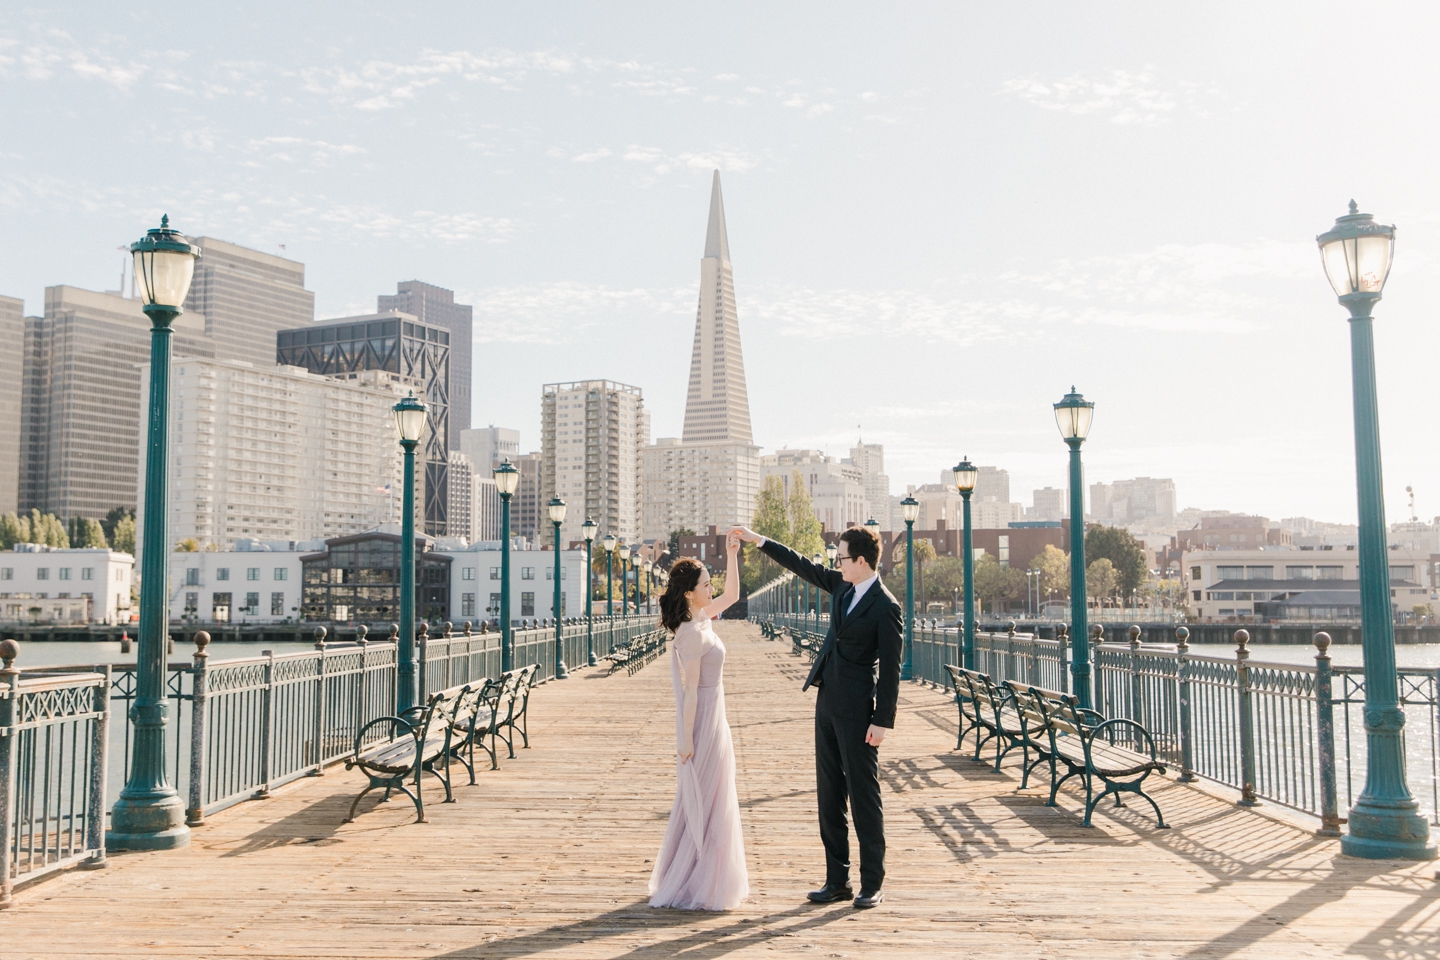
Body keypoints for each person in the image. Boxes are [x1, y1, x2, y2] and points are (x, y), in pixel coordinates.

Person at [734, 524, 901, 909]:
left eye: (842, 558)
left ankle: (871, 883)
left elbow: (891, 670)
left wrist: (882, 721)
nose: (836, 563)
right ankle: (836, 880)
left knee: (863, 796)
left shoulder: (886, 607)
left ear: (861, 561)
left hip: (860, 712)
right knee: (829, 795)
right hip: (827, 701)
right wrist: (758, 540)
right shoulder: (843, 586)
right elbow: (801, 565)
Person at [648, 530, 749, 911]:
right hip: (704, 718)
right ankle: (695, 875)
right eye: (706, 584)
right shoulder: (690, 634)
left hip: (716, 713)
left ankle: (706, 871)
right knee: (706, 795)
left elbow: (734, 596)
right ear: (690, 592)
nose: (712, 588)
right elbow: (690, 693)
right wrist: (685, 739)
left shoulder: (703, 616)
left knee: (716, 793)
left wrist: (731, 554)